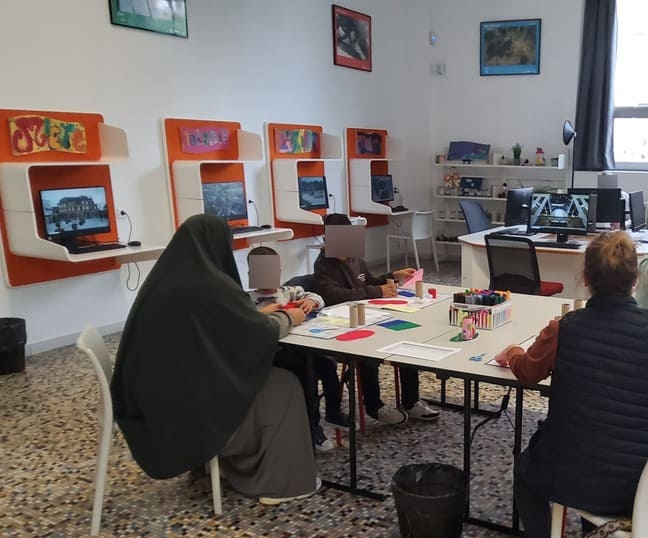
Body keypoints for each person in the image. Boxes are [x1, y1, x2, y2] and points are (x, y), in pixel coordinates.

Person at [494, 231, 648, 538]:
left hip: (573, 477)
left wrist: (512, 353)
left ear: (585, 278)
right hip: (645, 485)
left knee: (527, 470)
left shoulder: (564, 329)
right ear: (635, 279)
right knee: (603, 439)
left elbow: (528, 372)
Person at [111, 214, 318, 506]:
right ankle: (282, 482)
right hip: (190, 415)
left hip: (158, 405)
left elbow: (214, 327)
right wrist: (289, 316)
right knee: (283, 385)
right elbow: (254, 335)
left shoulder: (166, 280)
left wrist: (253, 316)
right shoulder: (210, 285)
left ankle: (224, 465)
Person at [313, 213, 440, 425]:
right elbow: (334, 296)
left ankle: (410, 401)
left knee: (407, 338)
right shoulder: (323, 265)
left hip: (372, 316)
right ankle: (374, 406)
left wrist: (392, 276)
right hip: (343, 326)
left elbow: (369, 282)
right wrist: (377, 291)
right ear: (327, 240)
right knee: (367, 355)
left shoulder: (355, 258)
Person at [247, 245, 347, 452]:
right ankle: (312, 428)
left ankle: (334, 413)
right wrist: (264, 313)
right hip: (274, 353)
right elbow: (246, 324)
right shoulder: (248, 301)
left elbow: (318, 297)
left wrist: (310, 301)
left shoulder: (289, 292)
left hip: (301, 346)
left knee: (327, 364)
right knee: (306, 374)